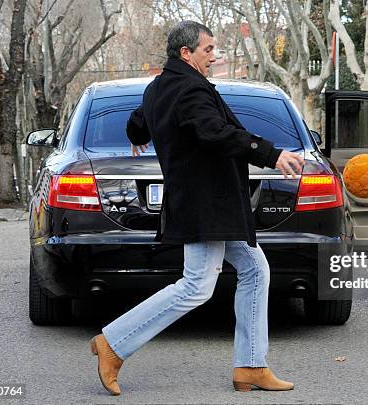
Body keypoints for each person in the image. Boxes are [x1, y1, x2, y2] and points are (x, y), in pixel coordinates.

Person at [88, 20, 305, 396]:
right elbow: (215, 132)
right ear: (186, 53)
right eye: (208, 49)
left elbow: (138, 123)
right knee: (196, 286)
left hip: (209, 205)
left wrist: (137, 137)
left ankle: (251, 366)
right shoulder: (189, 90)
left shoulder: (160, 86)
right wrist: (272, 153)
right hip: (207, 206)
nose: (214, 55)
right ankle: (113, 343)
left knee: (255, 269)